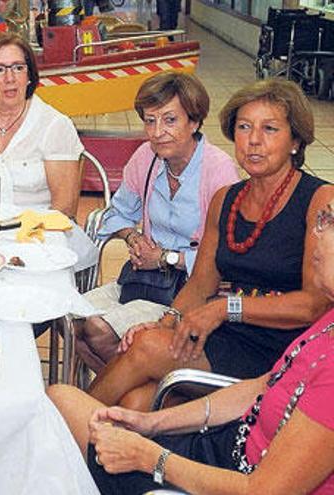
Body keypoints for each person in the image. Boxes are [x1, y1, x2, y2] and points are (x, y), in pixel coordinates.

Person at [47, 197, 334, 494]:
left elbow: (261, 489)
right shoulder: (328, 323)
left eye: (328, 222)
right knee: (71, 408)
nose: (317, 233)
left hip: (224, 478)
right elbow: (260, 388)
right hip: (221, 450)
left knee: (62, 409)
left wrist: (149, 457)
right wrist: (151, 424)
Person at [87, 78, 334, 412]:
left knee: (145, 348)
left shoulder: (320, 200)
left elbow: (313, 305)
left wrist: (224, 308)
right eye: (244, 127)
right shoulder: (227, 200)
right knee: (136, 400)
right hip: (224, 333)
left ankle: (59, 433)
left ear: (295, 140)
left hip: (283, 348)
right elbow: (202, 284)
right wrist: (167, 321)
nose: (254, 141)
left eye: (270, 129)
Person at [76, 72, 240, 372]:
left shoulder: (218, 171)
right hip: (143, 282)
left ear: (194, 122)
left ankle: (129, 391)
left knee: (97, 330)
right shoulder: (145, 158)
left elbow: (225, 257)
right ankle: (133, 392)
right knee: (71, 318)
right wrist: (132, 238)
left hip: (190, 291)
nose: (157, 132)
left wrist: (165, 258)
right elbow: (117, 213)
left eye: (169, 120)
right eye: (150, 120)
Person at [0, 31, 83, 219]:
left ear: (29, 76)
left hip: (39, 234)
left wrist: (20, 235)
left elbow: (64, 208)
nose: (10, 78)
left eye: (18, 67)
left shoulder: (55, 126)